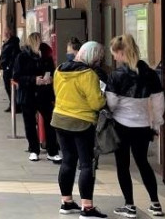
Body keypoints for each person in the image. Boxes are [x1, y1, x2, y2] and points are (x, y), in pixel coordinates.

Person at [107, 34, 165, 218]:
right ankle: (155, 204)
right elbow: (158, 102)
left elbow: (111, 103)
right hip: (142, 125)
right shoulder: (149, 73)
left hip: (121, 126)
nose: (114, 58)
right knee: (143, 163)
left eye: (115, 54)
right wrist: (156, 124)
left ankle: (129, 206)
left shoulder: (116, 75)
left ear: (121, 52)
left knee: (122, 165)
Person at [52, 41, 108, 218]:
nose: (99, 62)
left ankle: (66, 202)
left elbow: (57, 93)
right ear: (94, 57)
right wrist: (104, 97)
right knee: (86, 164)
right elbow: (96, 103)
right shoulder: (88, 74)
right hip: (81, 123)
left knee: (68, 161)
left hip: (60, 120)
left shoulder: (59, 69)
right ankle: (87, 207)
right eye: (99, 58)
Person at [13, 32, 61, 163]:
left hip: (44, 93)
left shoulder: (46, 55)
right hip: (28, 95)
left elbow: (52, 70)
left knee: (50, 122)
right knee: (30, 124)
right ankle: (34, 150)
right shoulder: (22, 57)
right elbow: (17, 76)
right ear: (32, 42)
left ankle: (53, 151)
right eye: (38, 41)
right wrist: (34, 80)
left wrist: (49, 79)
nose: (40, 43)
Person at [0, 29, 22, 112]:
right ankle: (12, 104)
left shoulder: (13, 43)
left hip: (10, 69)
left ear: (10, 33)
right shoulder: (7, 42)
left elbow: (13, 57)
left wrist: (8, 67)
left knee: (11, 88)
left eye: (6, 32)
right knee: (8, 88)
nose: (5, 34)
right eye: (5, 32)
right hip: (6, 68)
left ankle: (16, 106)